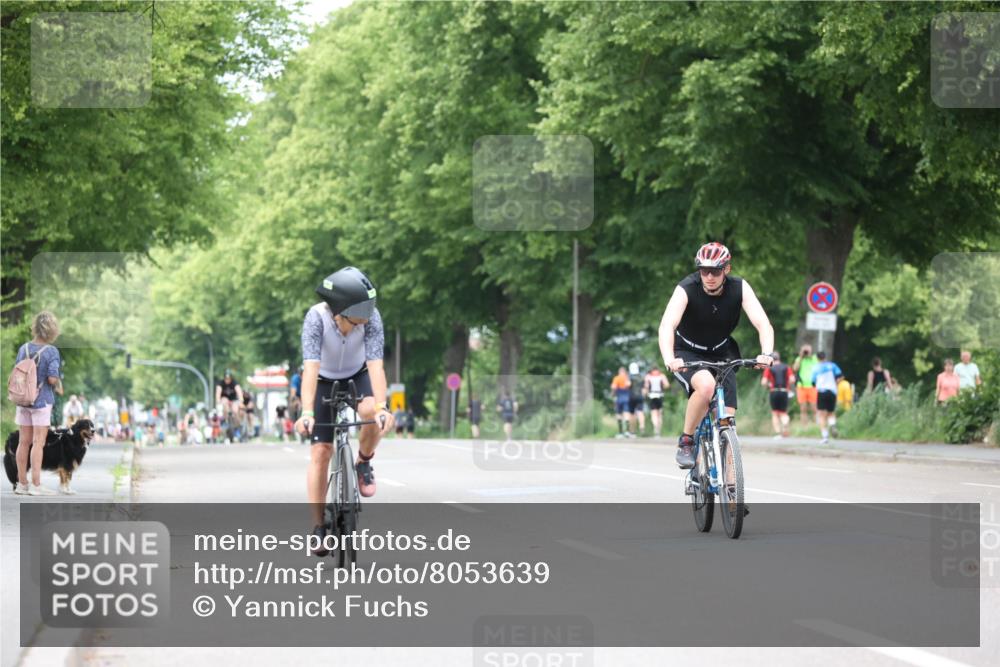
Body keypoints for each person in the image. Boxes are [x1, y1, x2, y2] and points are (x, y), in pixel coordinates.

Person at [296, 267, 394, 555]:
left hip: (357, 374)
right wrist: (306, 412)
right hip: (323, 380)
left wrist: (381, 407)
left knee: (371, 415)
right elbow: (310, 369)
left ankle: (363, 461)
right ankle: (317, 527)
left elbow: (376, 365)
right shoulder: (316, 319)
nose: (368, 316)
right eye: (360, 312)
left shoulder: (372, 318)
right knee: (321, 452)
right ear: (340, 309)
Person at [658, 242, 774, 470]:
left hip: (723, 352)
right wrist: (669, 358)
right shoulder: (687, 288)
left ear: (726, 269)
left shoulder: (740, 287)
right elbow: (666, 325)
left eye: (715, 271)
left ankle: (732, 497)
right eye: (704, 271)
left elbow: (763, 324)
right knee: (706, 386)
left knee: (727, 423)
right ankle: (687, 441)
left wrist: (766, 353)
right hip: (687, 352)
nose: (709, 276)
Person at [12, 311, 63, 496]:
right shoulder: (51, 351)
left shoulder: (23, 348)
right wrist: (56, 379)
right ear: (52, 330)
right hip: (41, 402)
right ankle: (36, 485)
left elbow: (17, 373)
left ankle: (22, 484)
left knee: (23, 442)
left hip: (22, 400)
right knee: (38, 443)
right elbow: (51, 379)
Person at [811, 351, 844, 444]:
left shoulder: (816, 368)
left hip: (822, 391)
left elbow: (813, 382)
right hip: (832, 391)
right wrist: (835, 383)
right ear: (825, 357)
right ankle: (832, 425)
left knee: (821, 414)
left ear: (817, 358)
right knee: (831, 412)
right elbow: (841, 376)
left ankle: (825, 436)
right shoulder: (832, 365)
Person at [760, 351, 795, 438]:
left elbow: (763, 382)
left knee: (775, 413)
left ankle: (778, 433)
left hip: (774, 391)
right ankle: (785, 422)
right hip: (784, 391)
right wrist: (787, 384)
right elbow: (792, 379)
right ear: (779, 358)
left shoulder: (769, 368)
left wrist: (769, 384)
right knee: (783, 412)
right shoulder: (786, 367)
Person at [792, 344, 818, 425]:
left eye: (807, 350)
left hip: (812, 386)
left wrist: (809, 355)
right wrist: (801, 357)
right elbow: (795, 369)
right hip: (801, 386)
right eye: (805, 350)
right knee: (803, 408)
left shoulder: (814, 358)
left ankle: (815, 426)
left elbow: (818, 367)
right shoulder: (799, 359)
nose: (806, 352)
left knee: (814, 408)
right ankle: (804, 426)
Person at [643, 365, 668, 438]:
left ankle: (655, 429)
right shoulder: (661, 376)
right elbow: (667, 385)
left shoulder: (648, 376)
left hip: (652, 395)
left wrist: (645, 394)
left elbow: (646, 387)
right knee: (659, 414)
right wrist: (662, 387)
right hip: (660, 395)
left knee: (654, 414)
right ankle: (658, 430)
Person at [610, 367, 631, 438]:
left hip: (619, 397)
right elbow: (629, 385)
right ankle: (627, 431)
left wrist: (613, 394)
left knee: (619, 414)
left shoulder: (617, 378)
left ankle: (621, 432)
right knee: (626, 413)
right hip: (627, 397)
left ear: (619, 372)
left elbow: (613, 387)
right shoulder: (627, 378)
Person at [627, 362, 646, 437]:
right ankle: (642, 427)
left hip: (632, 397)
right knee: (640, 412)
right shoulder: (641, 377)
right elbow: (644, 388)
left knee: (632, 414)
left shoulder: (630, 377)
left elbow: (627, 384)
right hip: (640, 396)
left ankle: (632, 431)